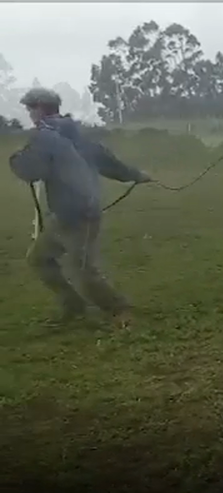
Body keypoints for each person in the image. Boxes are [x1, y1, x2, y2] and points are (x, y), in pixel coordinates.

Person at [8, 87, 153, 326]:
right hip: (68, 213)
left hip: (77, 215)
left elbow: (31, 171)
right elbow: (107, 162)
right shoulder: (78, 132)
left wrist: (15, 159)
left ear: (40, 108)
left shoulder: (43, 136)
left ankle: (119, 310)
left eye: (30, 108)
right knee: (39, 259)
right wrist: (136, 175)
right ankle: (74, 306)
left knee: (83, 271)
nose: (29, 113)